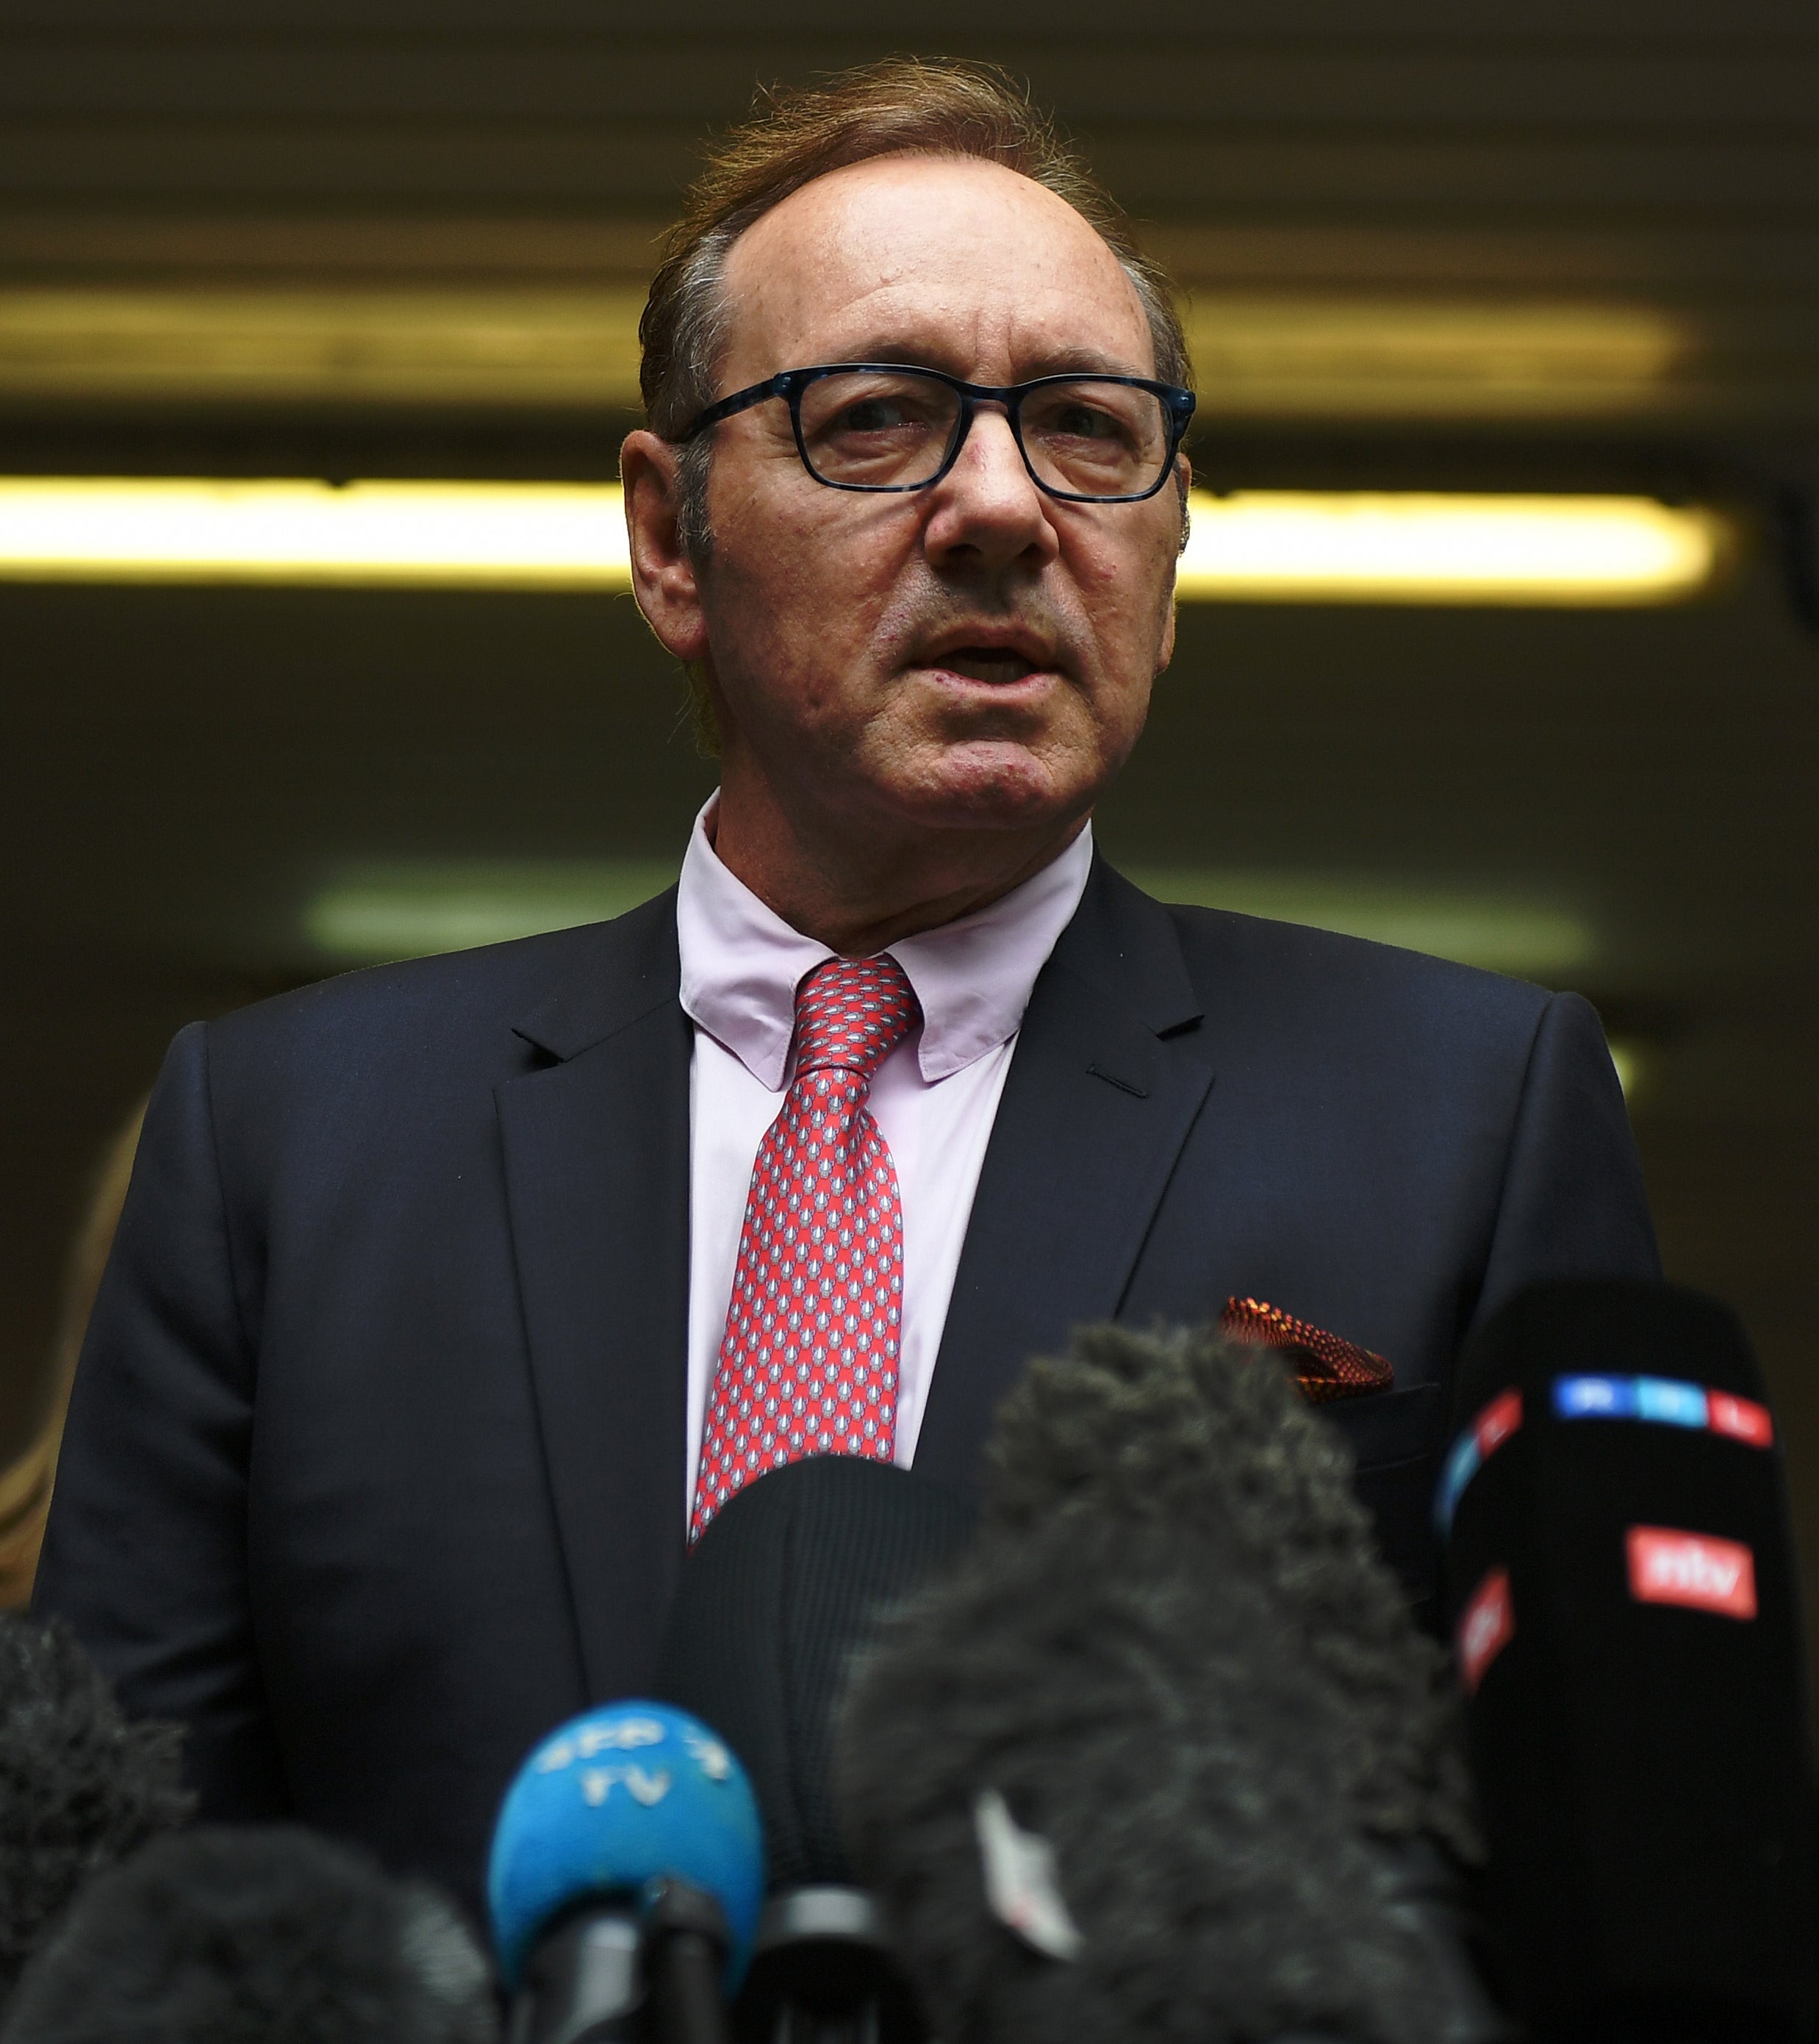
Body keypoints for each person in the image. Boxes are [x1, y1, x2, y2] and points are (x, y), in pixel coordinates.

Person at [36, 60, 1657, 1918]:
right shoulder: (291, 1146)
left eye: (1085, 426)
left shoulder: (1464, 1105)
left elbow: (1605, 1891)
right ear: (668, 536)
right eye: (876, 419)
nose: (998, 504)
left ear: (1172, 533)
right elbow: (115, 1925)